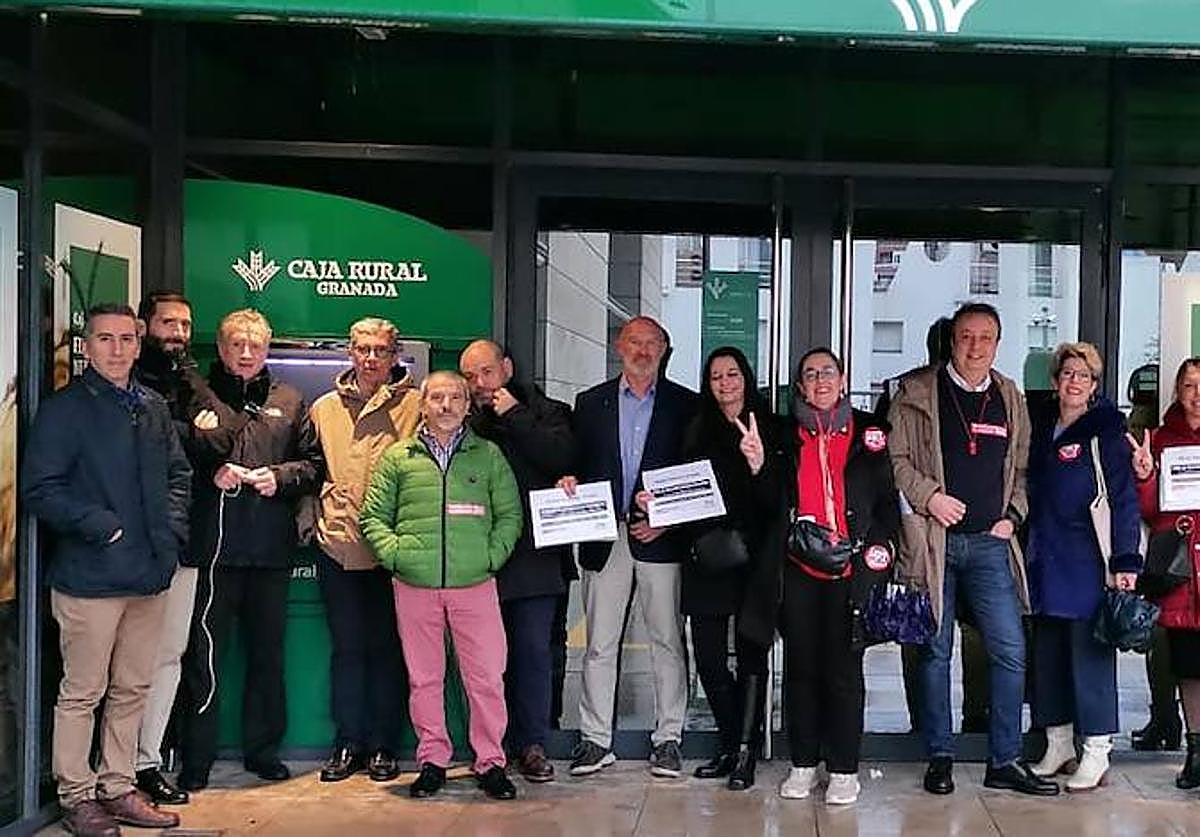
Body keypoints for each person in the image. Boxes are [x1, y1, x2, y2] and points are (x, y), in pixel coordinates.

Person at [23, 303, 190, 837]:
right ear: (87, 345)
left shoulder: (153, 406)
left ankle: (118, 786)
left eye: (126, 339)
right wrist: (102, 526)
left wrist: (170, 537)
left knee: (132, 687)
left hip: (149, 575)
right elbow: (40, 488)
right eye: (105, 339)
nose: (117, 349)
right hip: (90, 578)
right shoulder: (64, 410)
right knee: (82, 692)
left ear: (138, 344)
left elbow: (179, 475)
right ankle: (76, 796)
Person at [888, 302, 1058, 797]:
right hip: (933, 543)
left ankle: (1003, 759)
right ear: (952, 341)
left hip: (990, 544)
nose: (975, 346)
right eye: (966, 336)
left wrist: (1013, 517)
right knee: (935, 651)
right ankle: (940, 756)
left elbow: (1022, 470)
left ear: (997, 344)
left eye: (985, 338)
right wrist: (930, 498)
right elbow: (896, 460)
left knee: (1010, 650)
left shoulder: (1010, 397)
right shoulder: (916, 392)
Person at [177, 309, 322, 791]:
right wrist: (210, 474)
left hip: (270, 553)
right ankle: (196, 759)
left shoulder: (290, 399)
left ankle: (264, 753)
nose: (245, 353)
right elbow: (174, 459)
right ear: (221, 348)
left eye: (254, 345)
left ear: (266, 349)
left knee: (267, 659)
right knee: (204, 661)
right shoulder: (197, 394)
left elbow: (314, 466)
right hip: (213, 553)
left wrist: (278, 477)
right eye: (236, 344)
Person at [360, 370, 523, 801]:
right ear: (423, 404)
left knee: (486, 677)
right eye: (437, 397)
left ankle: (490, 762)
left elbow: (510, 515)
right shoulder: (399, 457)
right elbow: (373, 517)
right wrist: (398, 557)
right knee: (425, 679)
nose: (446, 405)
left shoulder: (487, 455)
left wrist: (490, 558)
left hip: (475, 584)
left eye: (455, 398)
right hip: (416, 585)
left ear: (468, 406)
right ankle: (433, 761)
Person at [558, 316, 698, 779]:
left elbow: (695, 477)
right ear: (619, 346)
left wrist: (666, 520)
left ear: (664, 349)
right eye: (635, 342)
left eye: (652, 343)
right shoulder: (590, 403)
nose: (643, 350)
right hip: (604, 537)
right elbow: (576, 463)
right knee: (599, 644)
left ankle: (669, 738)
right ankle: (595, 740)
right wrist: (568, 480)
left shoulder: (686, 405)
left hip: (661, 540)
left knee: (668, 641)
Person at [758, 348, 898, 805]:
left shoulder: (871, 431)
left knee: (843, 671)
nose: (819, 380)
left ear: (843, 379)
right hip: (799, 567)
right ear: (800, 386)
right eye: (810, 374)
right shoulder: (782, 435)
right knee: (801, 668)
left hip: (850, 569)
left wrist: (877, 555)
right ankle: (803, 762)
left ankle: (843, 768)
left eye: (827, 372)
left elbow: (886, 503)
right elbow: (767, 502)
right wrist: (759, 465)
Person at [1025, 342, 1141, 792]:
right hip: (1045, 556)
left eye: (1084, 376)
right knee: (1049, 655)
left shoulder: (1105, 432)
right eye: (1068, 374)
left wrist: (1125, 560)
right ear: (1056, 381)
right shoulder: (1041, 427)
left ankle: (1095, 750)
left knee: (1089, 656)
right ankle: (1058, 744)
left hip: (1088, 559)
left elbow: (1124, 499)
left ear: (1094, 386)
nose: (1074, 382)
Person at [309, 318, 420, 783]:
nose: (371, 358)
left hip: (393, 550)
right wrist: (311, 525)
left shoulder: (417, 406)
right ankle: (347, 743)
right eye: (363, 349)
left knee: (388, 650)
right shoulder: (323, 409)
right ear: (349, 353)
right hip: (338, 546)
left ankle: (383, 746)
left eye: (380, 350)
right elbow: (310, 469)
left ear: (395, 356)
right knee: (347, 650)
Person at [459, 340, 575, 783]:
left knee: (532, 654)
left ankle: (532, 744)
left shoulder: (548, 412)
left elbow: (562, 458)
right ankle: (491, 746)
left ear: (506, 368)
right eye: (470, 376)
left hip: (534, 559)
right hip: (477, 558)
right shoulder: (464, 423)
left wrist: (514, 415)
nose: (478, 383)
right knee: (484, 661)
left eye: (486, 372)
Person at [882, 317, 991, 737]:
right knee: (923, 628)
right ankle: (935, 723)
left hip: (974, 534)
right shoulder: (905, 390)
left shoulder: (992, 393)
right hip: (919, 533)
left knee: (969, 632)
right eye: (955, 341)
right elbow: (888, 462)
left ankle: (965, 718)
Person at [677, 347, 778, 790]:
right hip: (708, 558)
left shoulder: (769, 425)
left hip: (755, 561)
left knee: (753, 656)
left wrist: (759, 464)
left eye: (732, 374)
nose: (724, 383)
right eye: (716, 376)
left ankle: (745, 752)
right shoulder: (695, 427)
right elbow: (681, 489)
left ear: (746, 377)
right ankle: (729, 741)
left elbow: (778, 498)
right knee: (710, 660)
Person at [129, 292, 207, 806]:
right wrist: (187, 430)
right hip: (128, 546)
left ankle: (146, 762)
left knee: (168, 658)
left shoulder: (191, 380)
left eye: (184, 325)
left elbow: (220, 439)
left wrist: (190, 431)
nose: (177, 333)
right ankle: (112, 767)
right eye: (167, 323)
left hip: (182, 544)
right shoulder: (127, 383)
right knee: (122, 663)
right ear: (144, 328)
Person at [1131, 357, 1200, 790]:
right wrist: (1145, 477)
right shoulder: (1158, 440)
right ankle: (1196, 753)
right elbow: (1151, 511)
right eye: (1189, 385)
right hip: (1180, 573)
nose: (1197, 394)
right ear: (1177, 392)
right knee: (1190, 668)